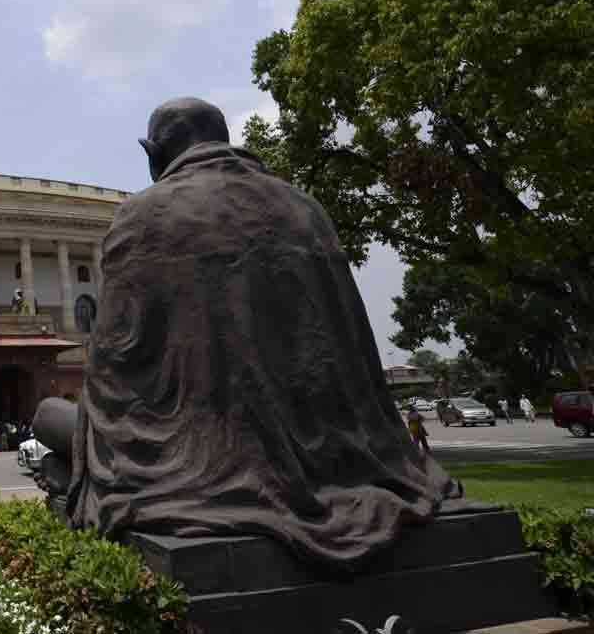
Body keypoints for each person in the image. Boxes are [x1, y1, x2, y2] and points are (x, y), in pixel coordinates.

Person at [68, 97, 461, 571]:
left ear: (154, 153)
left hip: (195, 460)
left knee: (54, 420)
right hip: (345, 457)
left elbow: (114, 361)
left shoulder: (142, 214)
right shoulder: (307, 209)